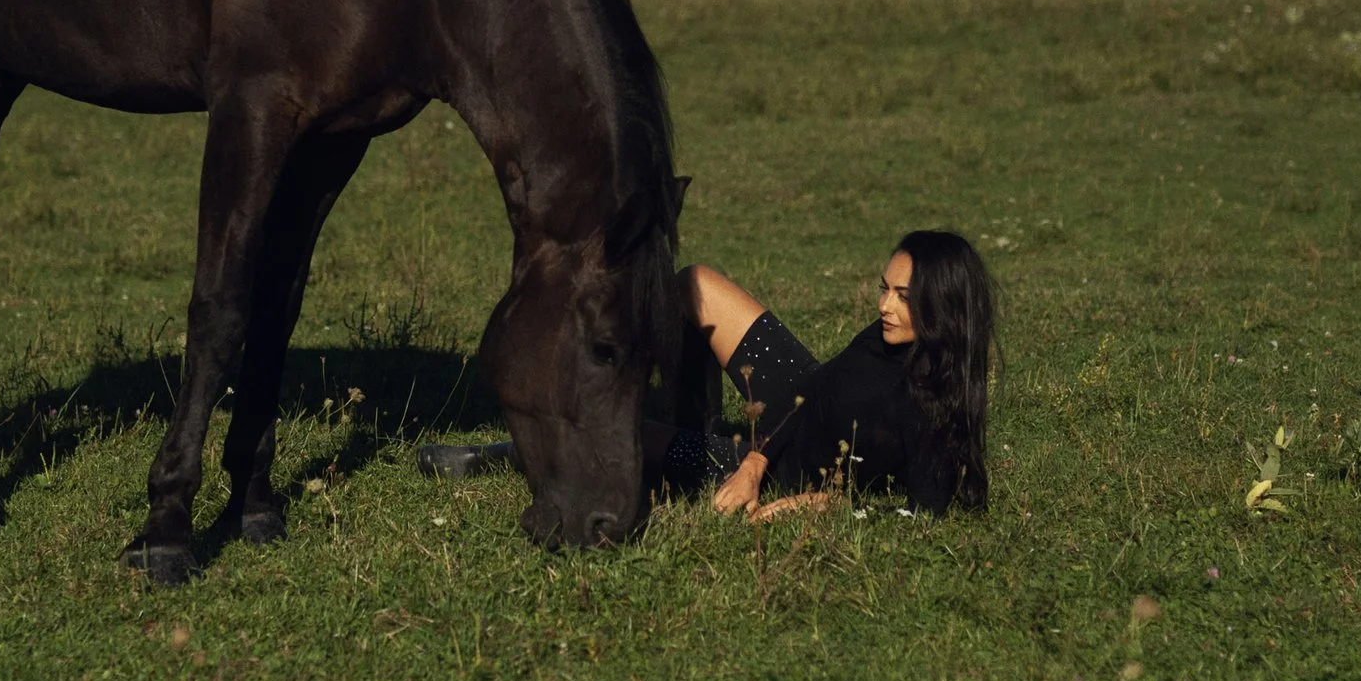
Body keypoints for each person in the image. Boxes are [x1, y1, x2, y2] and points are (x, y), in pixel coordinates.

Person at [421, 230, 996, 522]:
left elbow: (922, 514)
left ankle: (506, 452)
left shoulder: (935, 413)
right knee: (692, 284)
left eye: (902, 296)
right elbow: (818, 393)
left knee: (621, 440)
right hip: (789, 419)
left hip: (791, 481)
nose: (883, 306)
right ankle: (688, 412)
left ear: (942, 307)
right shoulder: (882, 340)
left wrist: (822, 502)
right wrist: (755, 461)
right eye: (884, 288)